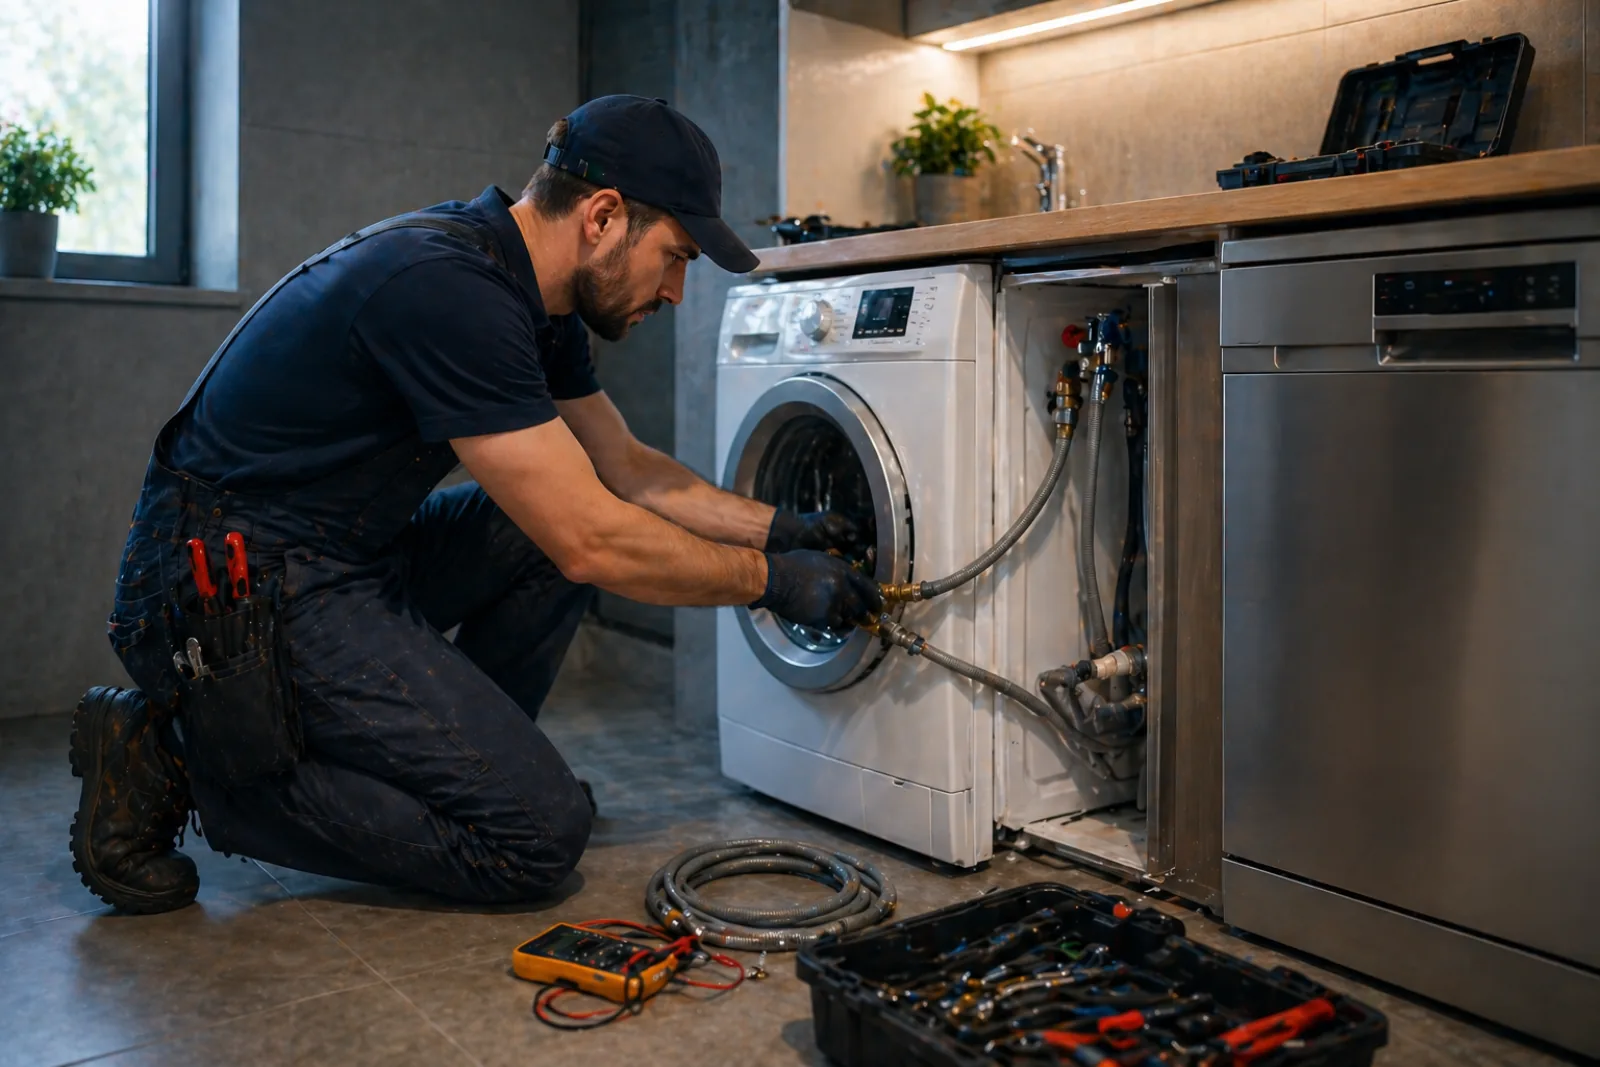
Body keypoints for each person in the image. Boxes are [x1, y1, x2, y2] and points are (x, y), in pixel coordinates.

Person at [72, 95, 880, 915]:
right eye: (674, 256)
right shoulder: (449, 289)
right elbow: (592, 543)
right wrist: (770, 581)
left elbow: (627, 472)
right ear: (603, 217)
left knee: (544, 530)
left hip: (341, 553)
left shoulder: (539, 300)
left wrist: (784, 530)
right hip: (219, 585)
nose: (674, 290)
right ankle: (175, 759)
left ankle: (469, 774)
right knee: (533, 838)